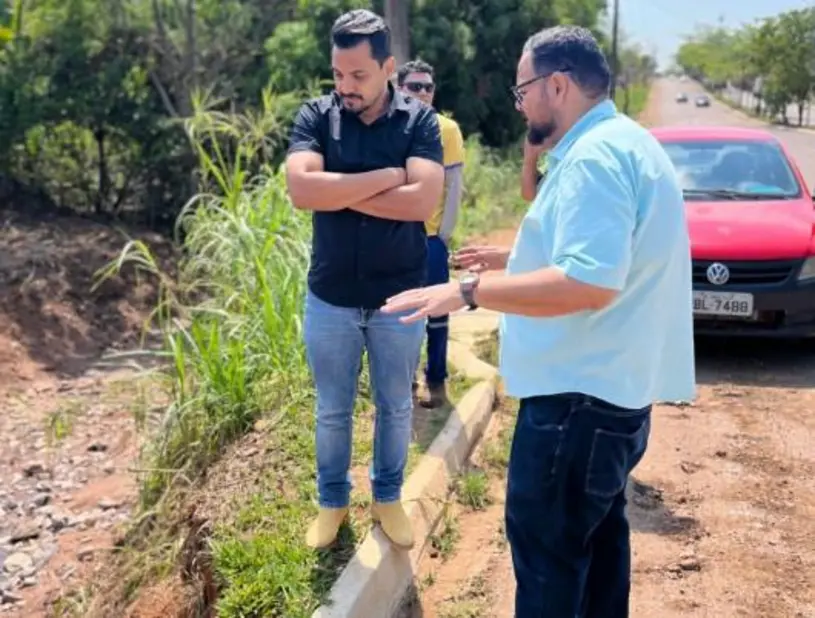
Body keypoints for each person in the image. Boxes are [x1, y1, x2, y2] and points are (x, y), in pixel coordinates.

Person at [382, 25, 695, 618]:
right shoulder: (626, 141)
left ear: (557, 85)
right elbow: (612, 255)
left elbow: (590, 282)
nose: (519, 103)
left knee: (550, 567)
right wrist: (515, 258)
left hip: (575, 410)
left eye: (523, 90)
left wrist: (470, 291)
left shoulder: (593, 160)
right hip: (613, 399)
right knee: (599, 558)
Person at [284, 9, 445, 551]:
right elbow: (302, 191)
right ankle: (331, 504)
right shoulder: (316, 116)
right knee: (332, 410)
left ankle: (387, 497)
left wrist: (341, 188)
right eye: (337, 74)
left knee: (396, 406)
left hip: (399, 294)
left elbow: (424, 201)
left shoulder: (418, 122)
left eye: (358, 75)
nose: (345, 87)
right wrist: (385, 178)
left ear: (388, 68)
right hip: (330, 296)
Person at [396, 59, 465, 408]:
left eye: (428, 87)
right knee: (400, 313)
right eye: (414, 86)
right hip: (393, 237)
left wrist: (444, 235)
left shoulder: (447, 130)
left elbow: (453, 187)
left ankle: (436, 378)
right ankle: (402, 380)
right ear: (399, 88)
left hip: (430, 238)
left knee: (438, 313)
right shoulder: (387, 126)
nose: (423, 93)